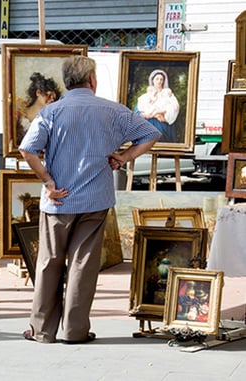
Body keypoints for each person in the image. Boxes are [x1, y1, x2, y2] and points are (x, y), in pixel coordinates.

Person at [18, 55, 161, 344]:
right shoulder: (114, 111)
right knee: (83, 264)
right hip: (95, 199)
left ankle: (42, 331)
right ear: (92, 80)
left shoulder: (52, 112)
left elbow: (27, 150)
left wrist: (47, 182)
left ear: (66, 82)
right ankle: (75, 331)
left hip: (58, 201)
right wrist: (123, 157)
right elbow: (151, 133)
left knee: (49, 263)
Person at [15, 72, 62, 146]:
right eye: (49, 96)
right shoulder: (18, 113)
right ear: (38, 92)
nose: (52, 100)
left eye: (54, 99)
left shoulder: (50, 122)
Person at [134, 69, 180, 143]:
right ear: (153, 80)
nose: (159, 81)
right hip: (149, 124)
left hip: (163, 124)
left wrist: (163, 114)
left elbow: (175, 107)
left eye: (161, 79)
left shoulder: (168, 94)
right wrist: (153, 115)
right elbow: (138, 111)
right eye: (157, 79)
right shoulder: (146, 96)